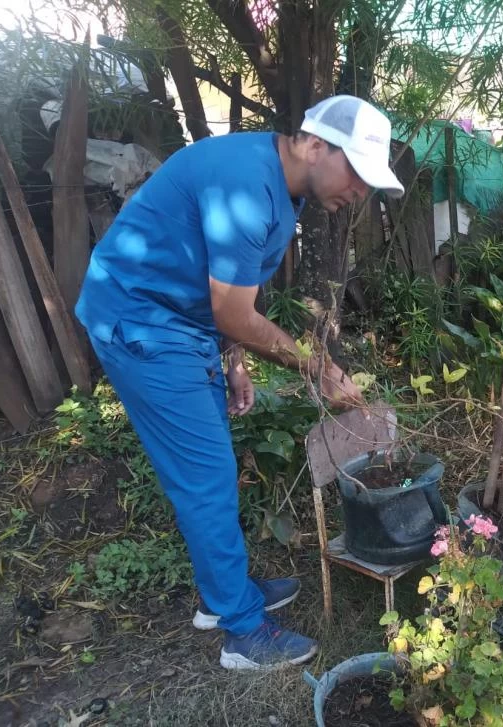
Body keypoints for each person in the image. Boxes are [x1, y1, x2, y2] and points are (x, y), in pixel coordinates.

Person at [75, 95, 404, 670]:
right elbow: (232, 310)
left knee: (210, 466)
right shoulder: (248, 185)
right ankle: (242, 632)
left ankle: (224, 594)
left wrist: (234, 358)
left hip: (179, 320)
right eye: (357, 172)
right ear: (315, 144)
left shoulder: (282, 186)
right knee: (205, 475)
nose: (360, 191)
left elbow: (225, 290)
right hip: (142, 323)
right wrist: (319, 370)